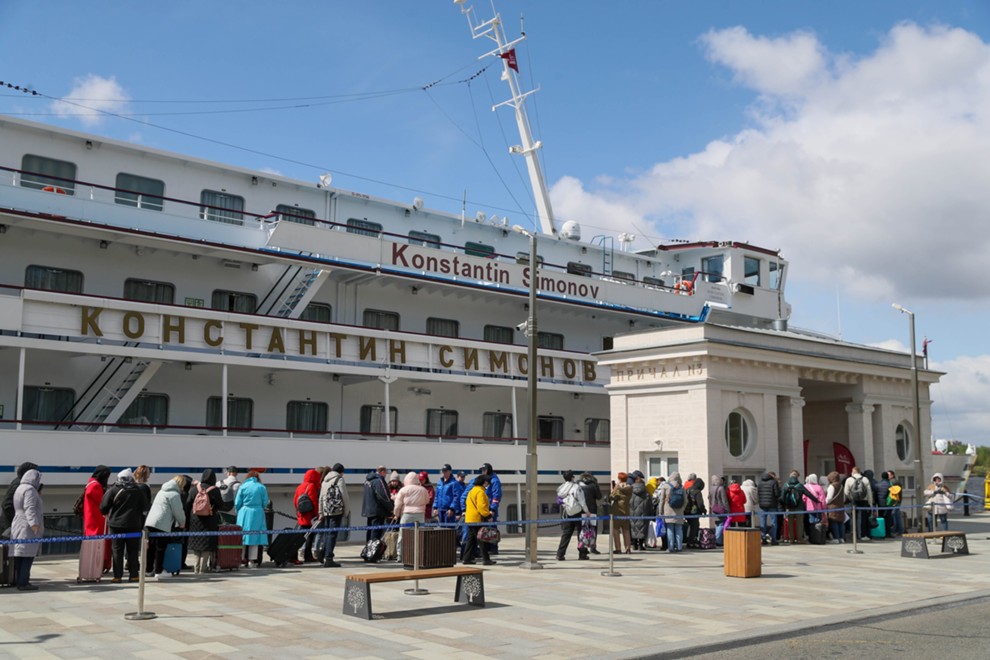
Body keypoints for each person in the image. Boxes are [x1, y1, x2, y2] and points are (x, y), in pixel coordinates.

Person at [100, 468, 150, 583]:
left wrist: (106, 512)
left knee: (117, 550)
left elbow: (103, 506)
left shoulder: (114, 489)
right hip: (134, 524)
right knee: (133, 550)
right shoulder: (138, 490)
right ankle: (134, 575)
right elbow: (145, 506)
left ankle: (117, 576)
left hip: (116, 525)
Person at [187, 468, 231, 574]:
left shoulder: (194, 489)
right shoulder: (214, 490)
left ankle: (196, 567)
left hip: (195, 520)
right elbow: (220, 505)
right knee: (207, 544)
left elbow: (188, 503)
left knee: (196, 544)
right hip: (210, 520)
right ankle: (203, 568)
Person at [144, 475, 187, 578]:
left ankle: (148, 570)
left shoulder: (161, 491)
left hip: (151, 522)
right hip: (162, 523)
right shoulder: (174, 494)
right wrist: (182, 522)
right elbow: (178, 511)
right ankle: (159, 571)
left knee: (151, 548)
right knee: (160, 548)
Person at [11, 468, 43, 591]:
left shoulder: (20, 488)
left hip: (18, 523)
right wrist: (34, 524)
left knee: (19, 555)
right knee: (27, 556)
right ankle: (24, 582)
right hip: (27, 526)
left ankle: (19, 581)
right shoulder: (30, 490)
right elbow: (29, 508)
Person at [235, 470, 270, 567]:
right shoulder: (261, 487)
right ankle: (251, 561)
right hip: (257, 513)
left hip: (244, 512)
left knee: (241, 537)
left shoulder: (243, 486)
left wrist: (238, 511)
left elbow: (237, 502)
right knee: (255, 537)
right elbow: (265, 502)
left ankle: (241, 559)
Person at [317, 463, 349, 568]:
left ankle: (322, 553)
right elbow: (344, 496)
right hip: (336, 510)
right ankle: (329, 558)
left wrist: (321, 512)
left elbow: (321, 498)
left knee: (327, 533)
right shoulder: (339, 479)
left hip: (326, 511)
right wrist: (346, 511)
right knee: (332, 535)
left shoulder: (324, 480)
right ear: (341, 472)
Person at [393, 471, 429, 562]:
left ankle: (400, 555)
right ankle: (419, 554)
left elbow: (397, 505)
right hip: (420, 514)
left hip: (407, 514)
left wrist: (396, 514)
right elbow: (427, 500)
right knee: (419, 535)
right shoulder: (423, 489)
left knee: (402, 534)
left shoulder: (403, 490)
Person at [555, 470, 589, 560]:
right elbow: (582, 501)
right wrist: (587, 511)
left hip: (568, 512)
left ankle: (560, 554)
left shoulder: (562, 488)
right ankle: (582, 554)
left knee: (566, 534)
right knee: (581, 533)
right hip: (578, 512)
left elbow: (559, 500)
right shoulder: (576, 487)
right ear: (572, 477)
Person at [461, 475, 495, 566]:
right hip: (477, 519)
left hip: (469, 519)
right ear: (484, 483)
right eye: (487, 482)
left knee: (471, 539)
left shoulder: (471, 491)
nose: (488, 484)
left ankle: (466, 558)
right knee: (481, 539)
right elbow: (482, 507)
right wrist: (488, 516)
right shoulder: (480, 492)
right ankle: (486, 559)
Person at [780, 470, 819, 544]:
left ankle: (791, 539)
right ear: (797, 477)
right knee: (799, 523)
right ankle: (800, 539)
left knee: (790, 523)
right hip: (799, 507)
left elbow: (782, 497)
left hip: (789, 507)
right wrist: (816, 500)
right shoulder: (799, 485)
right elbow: (808, 494)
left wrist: (785, 505)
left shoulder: (786, 485)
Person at [293, 469, 322, 563]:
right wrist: (317, 514)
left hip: (301, 515)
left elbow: (295, 501)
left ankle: (295, 556)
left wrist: (298, 513)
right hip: (309, 517)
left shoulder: (300, 486)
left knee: (299, 537)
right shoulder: (312, 486)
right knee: (308, 537)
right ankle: (306, 556)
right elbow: (314, 502)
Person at [2, 461, 38, 531]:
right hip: (11, 525)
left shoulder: (20, 482)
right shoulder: (20, 485)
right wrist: (15, 520)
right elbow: (6, 504)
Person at [361, 466, 392, 543]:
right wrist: (391, 508)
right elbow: (383, 496)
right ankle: (373, 548)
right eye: (385, 473)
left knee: (370, 531)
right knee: (376, 533)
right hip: (377, 511)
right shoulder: (379, 481)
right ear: (382, 472)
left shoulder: (367, 481)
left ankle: (368, 547)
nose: (386, 475)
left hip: (369, 510)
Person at [658, 472, 686, 552]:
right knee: (679, 529)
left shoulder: (665, 486)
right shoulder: (681, 487)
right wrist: (682, 508)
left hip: (668, 511)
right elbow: (685, 500)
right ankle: (679, 547)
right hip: (679, 512)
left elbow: (662, 500)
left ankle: (670, 547)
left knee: (670, 529)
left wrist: (660, 511)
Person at [843, 467, 874, 541]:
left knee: (853, 518)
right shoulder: (865, 479)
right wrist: (870, 503)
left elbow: (846, 492)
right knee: (863, 518)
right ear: (859, 472)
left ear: (853, 472)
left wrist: (850, 498)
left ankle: (854, 534)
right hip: (864, 501)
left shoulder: (849, 479)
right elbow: (869, 492)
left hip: (854, 501)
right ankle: (863, 535)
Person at [479, 463, 502, 554]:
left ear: (488, 470)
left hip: (490, 509)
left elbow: (496, 496)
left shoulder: (494, 481)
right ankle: (486, 547)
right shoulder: (485, 480)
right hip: (484, 508)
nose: (482, 472)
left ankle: (493, 548)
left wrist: (492, 509)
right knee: (485, 528)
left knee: (492, 528)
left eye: (484, 470)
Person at [578, 472, 603, 554]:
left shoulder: (578, 484)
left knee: (582, 529)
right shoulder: (593, 484)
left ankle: (582, 548)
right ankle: (593, 547)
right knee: (593, 528)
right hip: (592, 510)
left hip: (581, 510)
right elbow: (599, 496)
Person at [608, 472, 633, 554]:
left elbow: (612, 497)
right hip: (626, 510)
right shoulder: (630, 488)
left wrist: (613, 489)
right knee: (626, 530)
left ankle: (618, 548)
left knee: (615, 529)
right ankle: (628, 548)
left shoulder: (617, 487)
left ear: (619, 478)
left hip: (617, 510)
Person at [628, 473, 652, 551]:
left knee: (634, 528)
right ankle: (641, 545)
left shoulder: (631, 491)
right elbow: (649, 503)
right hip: (643, 513)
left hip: (632, 513)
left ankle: (634, 544)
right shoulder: (646, 492)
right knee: (642, 528)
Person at [757, 471, 781, 546]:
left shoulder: (760, 483)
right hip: (772, 504)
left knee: (763, 522)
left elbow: (758, 494)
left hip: (762, 505)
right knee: (773, 522)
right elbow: (777, 494)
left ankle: (763, 539)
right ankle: (773, 539)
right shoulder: (774, 482)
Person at [684, 476, 707, 548]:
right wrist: (704, 511)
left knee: (690, 526)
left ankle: (689, 540)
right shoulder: (697, 492)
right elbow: (700, 504)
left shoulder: (687, 489)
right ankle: (691, 542)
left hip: (686, 511)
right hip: (694, 512)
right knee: (694, 527)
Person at [825, 471, 846, 544]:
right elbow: (844, 498)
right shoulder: (841, 485)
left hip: (833, 507)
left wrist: (825, 503)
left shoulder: (832, 486)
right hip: (841, 506)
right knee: (840, 522)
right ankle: (842, 538)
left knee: (834, 522)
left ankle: (836, 538)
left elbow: (829, 497)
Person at [803, 474, 826, 539]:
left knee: (811, 522)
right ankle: (818, 537)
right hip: (819, 508)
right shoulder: (819, 487)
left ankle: (812, 537)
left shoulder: (806, 486)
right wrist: (824, 508)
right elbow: (823, 499)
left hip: (809, 507)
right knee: (818, 522)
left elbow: (804, 498)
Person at [709, 475, 730, 546]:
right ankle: (718, 541)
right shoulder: (721, 488)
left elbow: (709, 498)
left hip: (714, 509)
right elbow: (724, 501)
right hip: (721, 510)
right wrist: (728, 510)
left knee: (717, 524)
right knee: (721, 524)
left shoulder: (711, 488)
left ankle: (718, 540)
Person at [887, 470, 904, 536]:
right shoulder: (897, 481)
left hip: (894, 501)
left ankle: (894, 530)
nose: (887, 476)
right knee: (897, 516)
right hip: (897, 500)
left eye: (888, 475)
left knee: (893, 515)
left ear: (892, 475)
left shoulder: (892, 482)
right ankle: (900, 530)